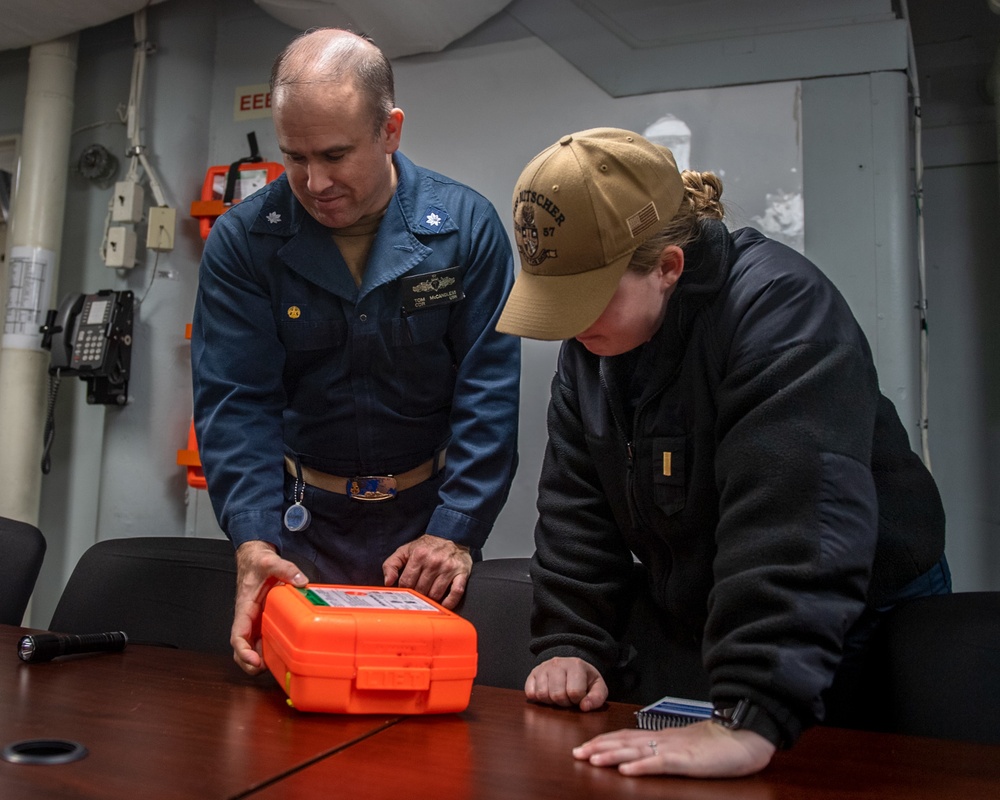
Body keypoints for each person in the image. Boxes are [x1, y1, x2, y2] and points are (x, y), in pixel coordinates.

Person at [495, 128, 947, 778]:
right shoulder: (596, 344)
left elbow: (797, 529)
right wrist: (574, 640)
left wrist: (750, 713)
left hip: (853, 610)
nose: (568, 324)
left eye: (587, 298)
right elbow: (576, 501)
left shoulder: (783, 317)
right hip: (722, 606)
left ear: (668, 267)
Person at [191, 28, 519, 676]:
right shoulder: (243, 242)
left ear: (390, 130)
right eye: (295, 157)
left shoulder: (467, 229)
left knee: (413, 719)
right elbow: (237, 401)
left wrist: (456, 529)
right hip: (298, 529)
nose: (314, 182)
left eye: (336, 155)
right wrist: (254, 539)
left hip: (424, 531)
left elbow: (487, 395)